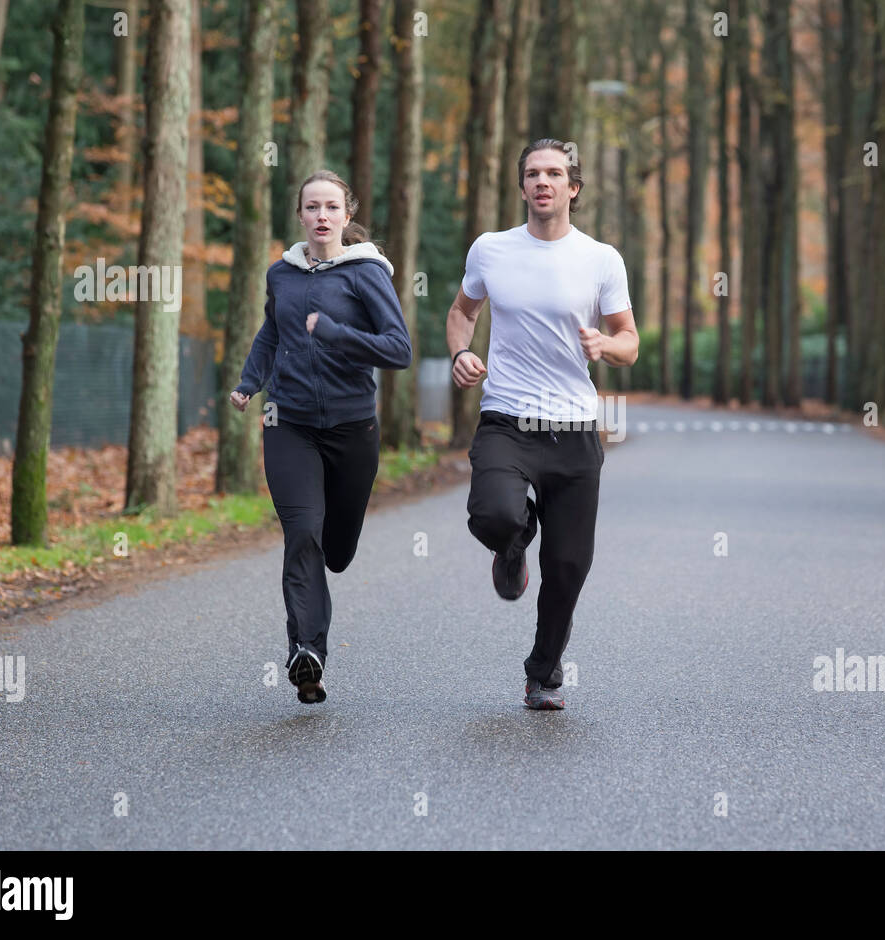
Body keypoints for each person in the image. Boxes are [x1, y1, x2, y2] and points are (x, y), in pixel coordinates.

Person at [447, 138, 639, 711]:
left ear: (572, 188)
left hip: (576, 427)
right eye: (532, 173)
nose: (543, 182)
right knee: (493, 514)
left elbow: (630, 342)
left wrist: (605, 344)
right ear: (523, 186)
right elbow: (462, 311)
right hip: (506, 416)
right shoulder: (491, 250)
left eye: (555, 173)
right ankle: (511, 544)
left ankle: (543, 674)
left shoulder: (601, 258)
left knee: (570, 563)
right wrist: (461, 352)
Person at [229, 170, 411, 704]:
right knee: (302, 533)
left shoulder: (366, 273)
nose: (322, 216)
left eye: (332, 207)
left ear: (346, 215)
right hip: (289, 423)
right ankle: (306, 653)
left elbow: (398, 348)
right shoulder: (280, 275)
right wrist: (249, 382)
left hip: (354, 428)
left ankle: (321, 602)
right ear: (301, 215)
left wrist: (333, 333)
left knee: (337, 550)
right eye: (312, 207)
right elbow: (271, 331)